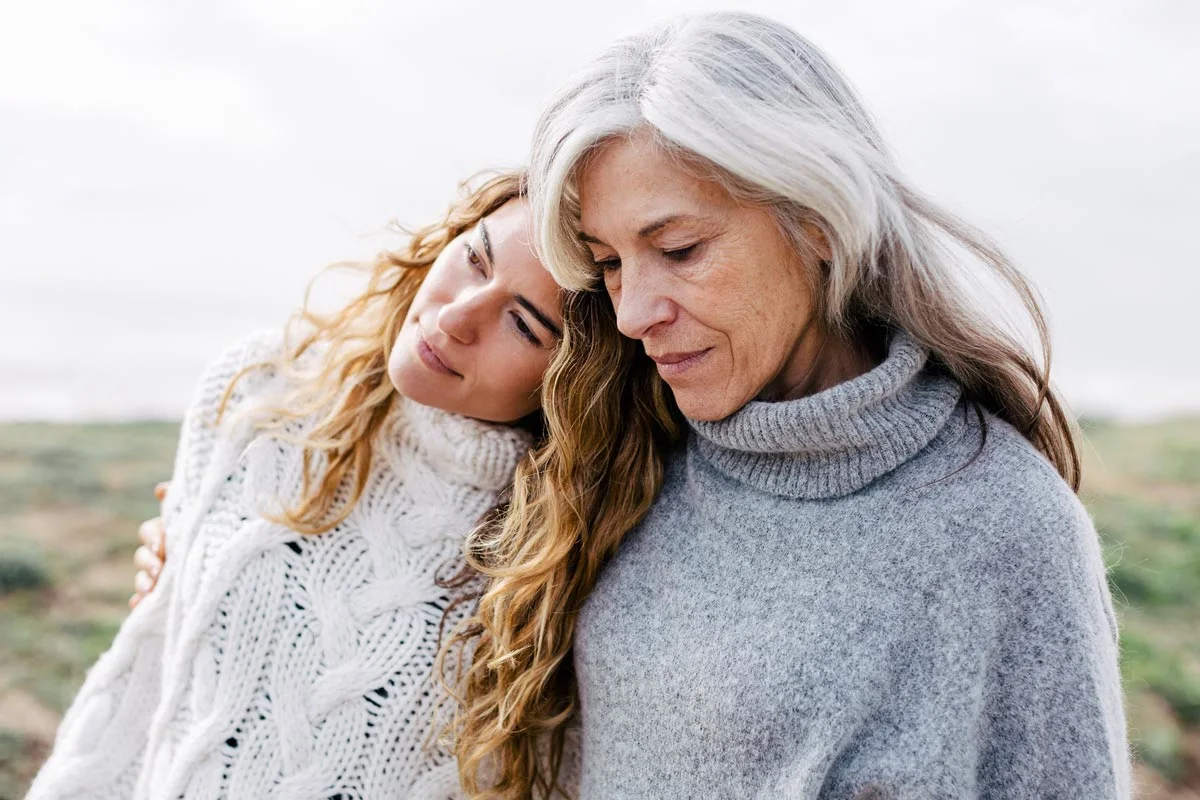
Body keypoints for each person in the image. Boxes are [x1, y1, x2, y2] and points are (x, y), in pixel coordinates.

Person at [453, 12, 1131, 799]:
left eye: (678, 251)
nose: (635, 312)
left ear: (816, 220)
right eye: (607, 263)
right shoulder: (621, 447)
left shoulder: (1004, 529)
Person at [28, 171, 573, 799]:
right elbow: (153, 675)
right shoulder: (262, 388)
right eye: (475, 259)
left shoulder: (560, 546)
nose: (455, 317)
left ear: (572, 378)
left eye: (524, 325)